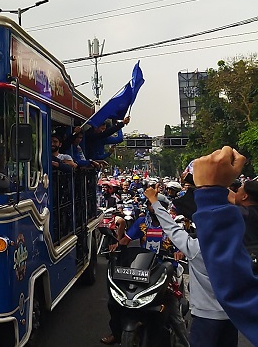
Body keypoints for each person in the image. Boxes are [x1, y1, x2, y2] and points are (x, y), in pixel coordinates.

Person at [143, 186, 237, 347]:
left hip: (205, 318)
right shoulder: (237, 244)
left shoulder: (196, 248)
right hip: (232, 316)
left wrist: (154, 200)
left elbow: (170, 227)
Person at [190, 147, 258, 346]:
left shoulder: (237, 216)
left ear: (244, 197)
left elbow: (236, 292)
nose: (234, 192)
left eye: (238, 190)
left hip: (219, 301)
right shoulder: (241, 211)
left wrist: (209, 195)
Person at [102, 196, 189, 346]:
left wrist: (180, 251)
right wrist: (116, 245)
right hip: (143, 269)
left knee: (174, 312)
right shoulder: (141, 223)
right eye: (150, 204)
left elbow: (183, 244)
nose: (152, 207)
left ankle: (184, 342)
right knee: (115, 302)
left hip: (165, 270)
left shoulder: (171, 225)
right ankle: (116, 333)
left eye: (156, 204)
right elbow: (126, 240)